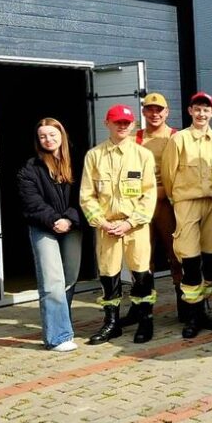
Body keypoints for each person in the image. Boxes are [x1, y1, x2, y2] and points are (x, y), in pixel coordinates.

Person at [79, 104, 157, 344]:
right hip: (108, 227)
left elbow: (149, 194)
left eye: (126, 122)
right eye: (117, 122)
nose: (122, 126)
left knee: (141, 273)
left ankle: (145, 320)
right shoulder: (94, 155)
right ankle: (111, 323)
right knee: (108, 275)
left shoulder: (143, 155)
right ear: (107, 124)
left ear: (133, 125)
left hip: (136, 226)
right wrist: (101, 222)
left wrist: (131, 222)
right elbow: (86, 194)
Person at [161, 92, 212, 338]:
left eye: (206, 110)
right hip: (187, 202)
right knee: (189, 258)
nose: (201, 114)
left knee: (208, 258)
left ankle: (203, 310)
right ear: (190, 111)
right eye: (197, 109)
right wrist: (176, 198)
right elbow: (168, 175)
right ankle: (191, 314)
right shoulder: (179, 139)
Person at [17, 118, 83, 352]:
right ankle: (58, 337)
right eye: (43, 136)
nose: (48, 139)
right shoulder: (30, 168)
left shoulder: (78, 161)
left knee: (69, 277)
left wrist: (69, 219)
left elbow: (83, 195)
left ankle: (61, 323)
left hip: (72, 226)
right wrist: (55, 220)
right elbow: (31, 202)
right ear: (38, 140)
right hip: (44, 228)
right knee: (52, 281)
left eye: (52, 134)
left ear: (61, 135)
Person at [124, 92, 180, 327]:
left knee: (177, 254)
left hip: (167, 205)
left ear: (167, 112)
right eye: (150, 109)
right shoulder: (134, 138)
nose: (155, 114)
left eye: (159, 110)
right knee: (141, 258)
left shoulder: (176, 137)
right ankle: (141, 307)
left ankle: (186, 305)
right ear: (144, 112)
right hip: (140, 206)